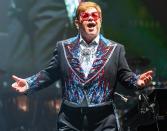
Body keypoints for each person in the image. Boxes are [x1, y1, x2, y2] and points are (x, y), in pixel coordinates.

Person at [12, 1, 153, 131]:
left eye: (95, 15)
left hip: (103, 119)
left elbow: (125, 75)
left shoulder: (115, 49)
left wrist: (137, 81)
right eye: (85, 16)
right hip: (70, 119)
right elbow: (50, 73)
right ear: (78, 23)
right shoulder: (63, 47)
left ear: (100, 20)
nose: (91, 18)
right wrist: (29, 83)